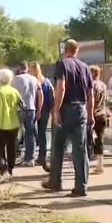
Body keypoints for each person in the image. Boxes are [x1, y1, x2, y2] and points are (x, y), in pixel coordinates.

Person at [42, 39, 94, 197]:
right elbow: (90, 94)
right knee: (80, 149)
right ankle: (81, 186)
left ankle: (55, 181)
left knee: (58, 147)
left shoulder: (62, 64)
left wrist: (56, 110)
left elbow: (61, 87)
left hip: (66, 109)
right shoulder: (85, 67)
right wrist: (90, 114)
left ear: (65, 50)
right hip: (81, 110)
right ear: (77, 51)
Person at [0, 68, 23, 183]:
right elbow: (22, 106)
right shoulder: (15, 91)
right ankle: (10, 170)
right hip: (13, 124)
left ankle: (3, 171)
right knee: (11, 148)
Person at [11, 63, 42, 167]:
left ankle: (15, 156)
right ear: (27, 68)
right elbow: (40, 95)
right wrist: (39, 109)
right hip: (31, 109)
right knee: (30, 134)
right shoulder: (34, 79)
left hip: (19, 109)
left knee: (16, 133)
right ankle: (30, 158)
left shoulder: (15, 79)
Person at [28, 62, 52, 167]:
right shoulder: (46, 81)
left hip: (35, 109)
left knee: (32, 131)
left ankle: (32, 155)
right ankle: (42, 156)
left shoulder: (33, 82)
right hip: (45, 109)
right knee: (42, 133)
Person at [88, 66, 108, 175]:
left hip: (94, 114)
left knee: (89, 139)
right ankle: (100, 164)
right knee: (99, 139)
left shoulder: (92, 85)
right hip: (102, 114)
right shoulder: (103, 85)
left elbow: (91, 100)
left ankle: (87, 162)